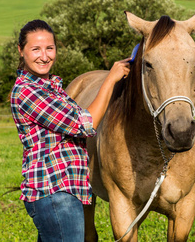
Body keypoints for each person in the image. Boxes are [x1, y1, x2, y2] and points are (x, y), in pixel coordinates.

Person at [10, 19, 130, 242]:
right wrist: (110, 79)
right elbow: (86, 123)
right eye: (35, 49)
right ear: (21, 50)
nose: (44, 56)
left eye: (50, 48)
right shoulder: (28, 92)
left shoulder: (51, 88)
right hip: (54, 195)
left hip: (63, 193)